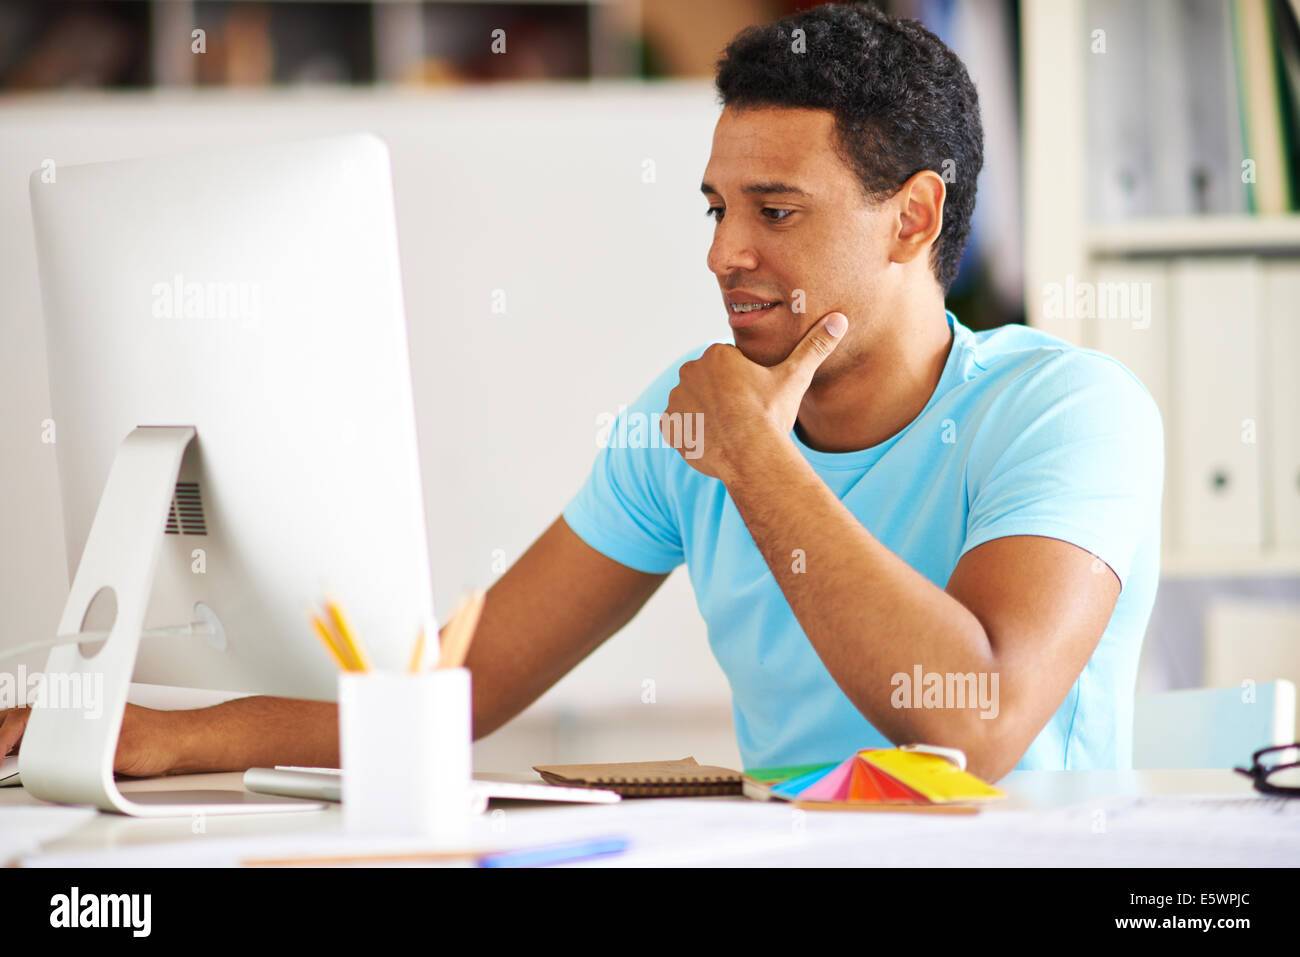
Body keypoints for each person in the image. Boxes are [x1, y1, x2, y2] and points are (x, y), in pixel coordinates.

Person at [0, 2, 1162, 783]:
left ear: (911, 216)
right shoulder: (686, 422)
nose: (724, 254)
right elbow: (451, 697)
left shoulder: (1068, 411)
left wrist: (758, 459)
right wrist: (152, 737)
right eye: (717, 210)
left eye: (776, 210)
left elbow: (979, 717)